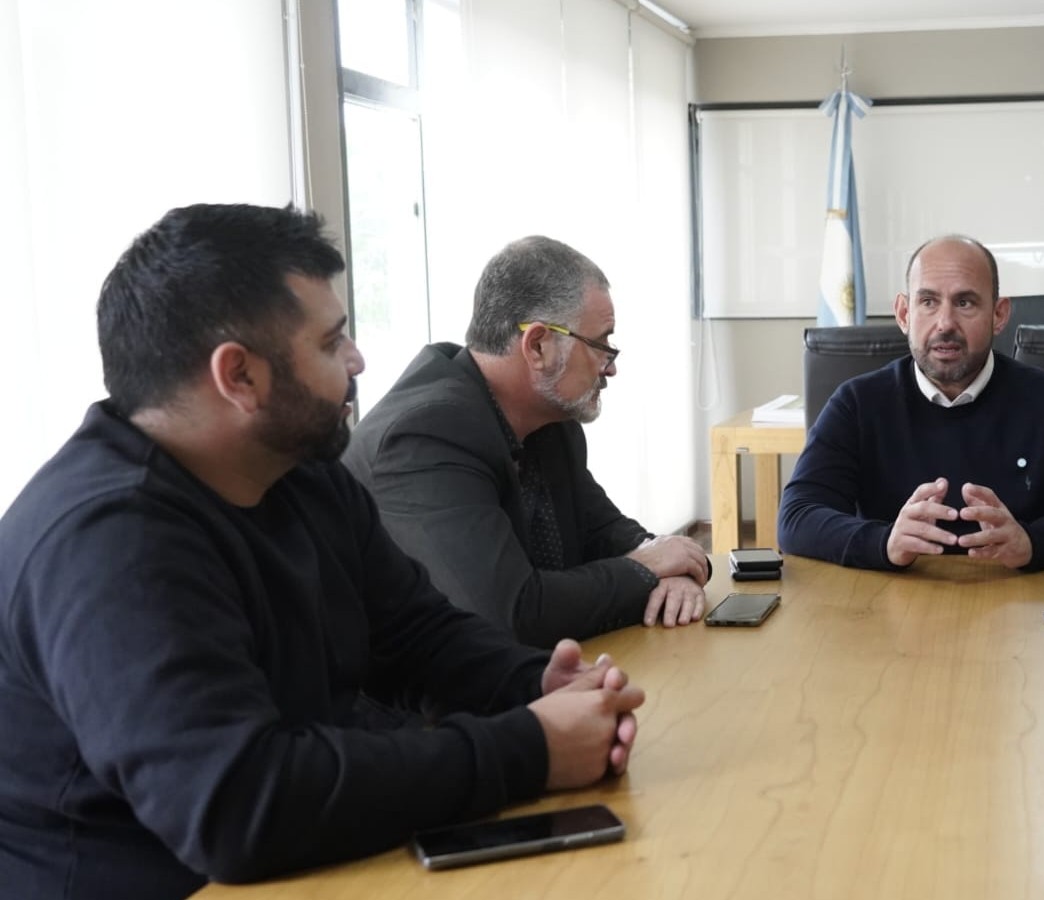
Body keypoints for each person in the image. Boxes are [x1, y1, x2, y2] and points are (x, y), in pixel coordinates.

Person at [0, 205, 644, 899]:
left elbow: (418, 632)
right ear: (238, 376)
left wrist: (536, 684)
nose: (358, 358)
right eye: (332, 342)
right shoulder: (108, 542)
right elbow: (238, 804)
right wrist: (531, 749)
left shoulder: (299, 473)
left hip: (309, 859)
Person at [344, 236, 710, 646]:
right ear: (538, 345)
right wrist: (646, 570)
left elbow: (605, 532)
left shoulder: (548, 418)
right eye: (601, 343)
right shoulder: (426, 435)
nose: (610, 368)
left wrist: (676, 569)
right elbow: (509, 614)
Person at [778, 234, 1044, 572]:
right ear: (904, 314)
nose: (945, 323)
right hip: (890, 611)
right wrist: (883, 542)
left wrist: (1033, 543)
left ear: (998, 315)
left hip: (1027, 611)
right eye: (928, 302)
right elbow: (797, 518)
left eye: (965, 302)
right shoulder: (856, 403)